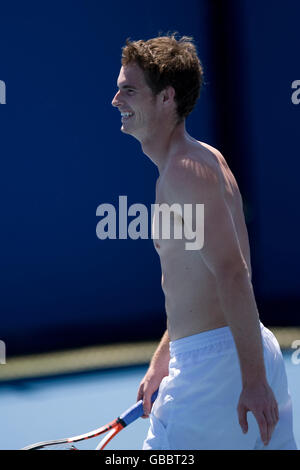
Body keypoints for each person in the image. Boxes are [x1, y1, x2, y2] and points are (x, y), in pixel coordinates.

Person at [111, 33, 297, 450]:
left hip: (219, 374)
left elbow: (233, 273)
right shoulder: (201, 160)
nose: (115, 100)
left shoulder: (184, 172)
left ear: (166, 98)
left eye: (129, 89)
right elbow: (199, 282)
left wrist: (251, 382)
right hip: (240, 354)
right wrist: (164, 359)